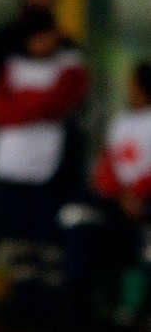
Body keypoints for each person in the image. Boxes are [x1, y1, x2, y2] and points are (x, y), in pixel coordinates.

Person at [0, 9, 89, 327]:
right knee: (13, 234)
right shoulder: (11, 63)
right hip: (10, 163)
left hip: (49, 165)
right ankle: (20, 297)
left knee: (44, 235)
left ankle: (47, 304)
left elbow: (58, 101)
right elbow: (0, 107)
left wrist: (24, 102)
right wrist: (33, 103)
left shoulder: (70, 66)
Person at [91, 61, 151, 330]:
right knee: (114, 246)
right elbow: (107, 164)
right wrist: (121, 195)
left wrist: (137, 195)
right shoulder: (122, 121)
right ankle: (118, 309)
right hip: (118, 202)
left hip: (144, 202)